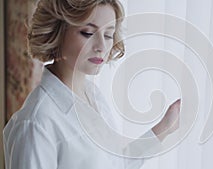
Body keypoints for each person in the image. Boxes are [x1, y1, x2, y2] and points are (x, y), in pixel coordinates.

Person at [3, 0, 181, 169]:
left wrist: (165, 127)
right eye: (88, 33)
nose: (102, 46)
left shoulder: (92, 95)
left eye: (108, 35)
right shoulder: (37, 123)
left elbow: (114, 163)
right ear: (57, 32)